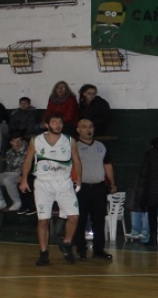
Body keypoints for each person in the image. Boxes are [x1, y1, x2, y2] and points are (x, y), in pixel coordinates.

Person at [19, 113, 83, 266]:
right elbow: (28, 160)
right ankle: (43, 253)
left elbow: (76, 160)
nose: (57, 125)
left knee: (74, 217)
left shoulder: (70, 141)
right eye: (54, 122)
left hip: (64, 183)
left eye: (60, 122)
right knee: (43, 220)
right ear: (47, 125)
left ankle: (66, 243)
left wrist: (79, 177)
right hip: (43, 183)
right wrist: (23, 179)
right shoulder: (37, 140)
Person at [72, 119, 116, 261]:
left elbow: (107, 165)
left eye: (91, 126)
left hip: (99, 188)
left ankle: (99, 249)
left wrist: (112, 183)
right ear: (78, 130)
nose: (88, 129)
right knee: (81, 220)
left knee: (99, 220)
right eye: (84, 127)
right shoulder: (74, 147)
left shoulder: (101, 146)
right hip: (81, 188)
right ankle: (81, 250)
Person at [0, 135, 29, 213]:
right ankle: (0, 200)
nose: (17, 143)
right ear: (11, 142)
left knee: (8, 180)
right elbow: (12, 164)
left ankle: (17, 201)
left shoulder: (28, 150)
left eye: (19, 140)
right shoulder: (9, 152)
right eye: (14, 141)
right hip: (8, 172)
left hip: (19, 173)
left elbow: (21, 165)